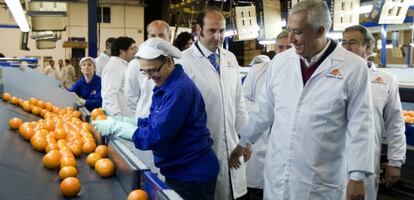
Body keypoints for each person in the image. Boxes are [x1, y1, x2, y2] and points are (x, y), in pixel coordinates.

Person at [229, 1, 375, 200]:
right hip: (278, 175)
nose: (291, 39)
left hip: (320, 180)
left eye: (298, 32)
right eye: (289, 31)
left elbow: (361, 125)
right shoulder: (280, 62)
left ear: (320, 31)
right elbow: (265, 110)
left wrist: (357, 177)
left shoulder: (353, 67)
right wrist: (244, 142)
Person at [93, 38, 220, 200]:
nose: (149, 76)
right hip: (179, 169)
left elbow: (156, 135)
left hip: (192, 173)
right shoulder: (163, 86)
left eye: (153, 70)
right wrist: (122, 120)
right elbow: (152, 121)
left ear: (168, 62)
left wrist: (116, 128)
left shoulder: (179, 90)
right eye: (145, 71)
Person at [178, 7, 249, 200]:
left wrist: (246, 139)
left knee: (234, 193)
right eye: (212, 31)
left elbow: (238, 102)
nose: (218, 36)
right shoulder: (183, 62)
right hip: (202, 149)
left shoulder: (229, 58)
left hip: (233, 145)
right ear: (198, 29)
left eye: (222, 31)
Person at [342, 25, 406, 200]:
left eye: (353, 43)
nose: (346, 48)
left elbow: (395, 123)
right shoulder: (333, 77)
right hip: (333, 159)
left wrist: (395, 161)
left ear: (368, 47)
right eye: (344, 42)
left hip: (367, 160)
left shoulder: (385, 81)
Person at [124, 20, 170, 118]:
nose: (157, 40)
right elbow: (130, 96)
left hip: (170, 119)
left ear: (169, 37)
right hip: (145, 119)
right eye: (153, 36)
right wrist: (141, 116)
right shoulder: (136, 64)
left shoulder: (177, 62)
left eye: (161, 35)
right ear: (147, 38)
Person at [101, 36, 137, 117]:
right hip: (119, 117)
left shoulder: (123, 65)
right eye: (131, 49)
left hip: (127, 115)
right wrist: (117, 116)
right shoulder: (113, 67)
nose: (134, 51)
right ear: (122, 51)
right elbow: (109, 94)